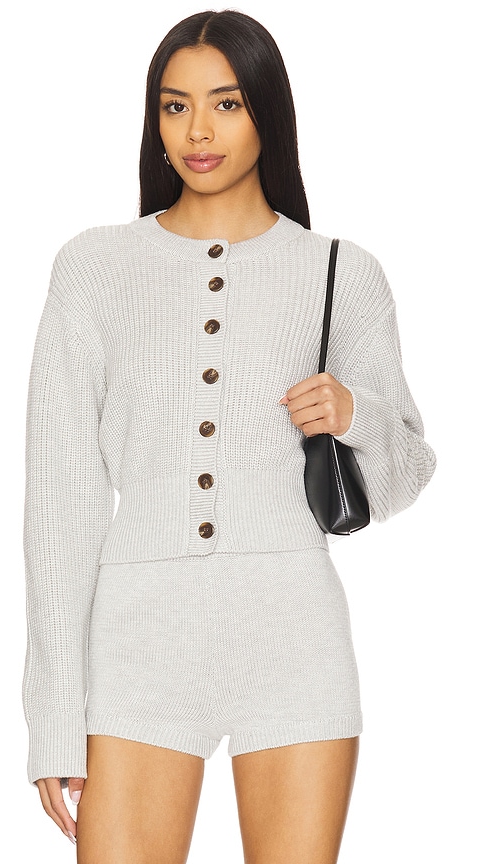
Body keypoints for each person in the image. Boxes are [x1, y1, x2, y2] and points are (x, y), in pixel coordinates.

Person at [22, 9, 436, 864]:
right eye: (175, 107)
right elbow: (61, 504)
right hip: (137, 643)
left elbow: (405, 473)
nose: (198, 131)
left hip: (292, 637)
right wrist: (54, 718)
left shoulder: (341, 272)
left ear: (267, 112)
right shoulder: (94, 268)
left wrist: (352, 414)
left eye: (227, 103)